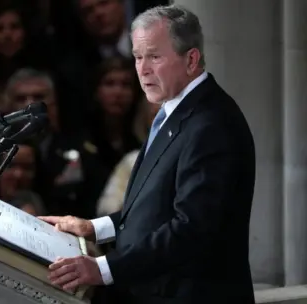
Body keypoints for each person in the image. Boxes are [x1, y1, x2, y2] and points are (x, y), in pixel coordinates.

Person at [39, 4, 256, 304]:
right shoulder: (175, 111)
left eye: (154, 56)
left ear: (191, 59)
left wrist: (103, 269)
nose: (143, 69)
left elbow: (191, 229)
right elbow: (155, 208)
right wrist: (94, 228)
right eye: (138, 57)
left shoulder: (211, 123)